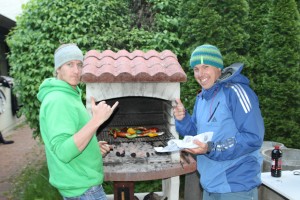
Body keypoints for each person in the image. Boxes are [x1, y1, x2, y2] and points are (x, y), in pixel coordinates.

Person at [173, 44, 264, 200]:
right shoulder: (201, 98)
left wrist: (212, 148)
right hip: (210, 185)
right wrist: (183, 119)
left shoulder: (236, 92)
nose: (200, 74)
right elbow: (196, 135)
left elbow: (253, 137)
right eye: (196, 69)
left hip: (236, 187)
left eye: (205, 66)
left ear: (218, 68)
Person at [37, 43, 118, 200]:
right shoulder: (58, 100)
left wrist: (91, 147)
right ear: (58, 68)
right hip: (84, 191)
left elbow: (72, 136)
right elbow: (63, 151)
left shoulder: (69, 95)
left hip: (81, 186)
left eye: (79, 65)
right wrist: (96, 121)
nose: (76, 71)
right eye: (69, 64)